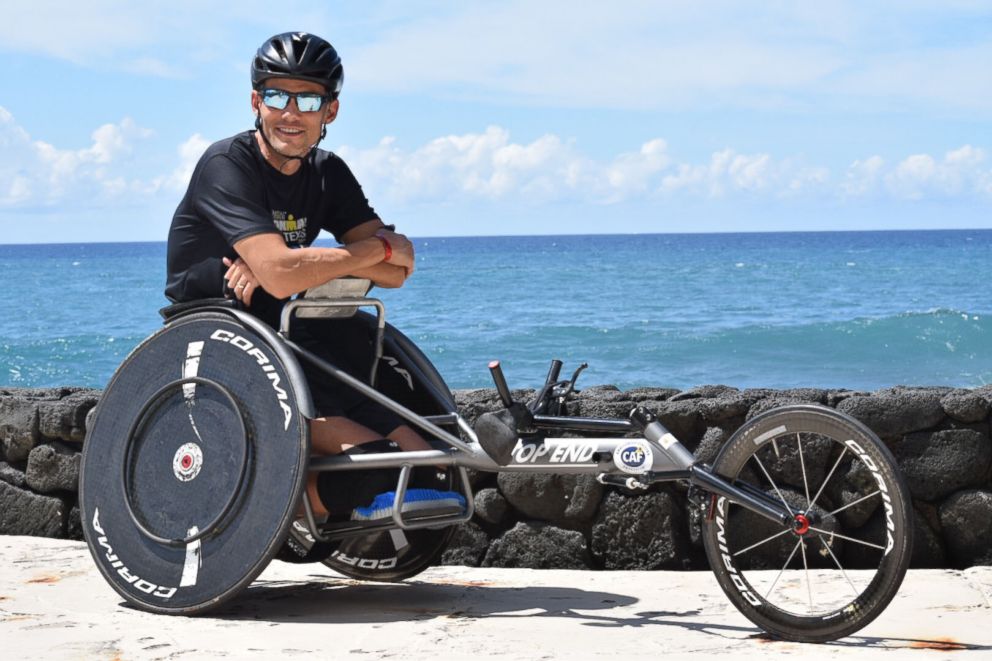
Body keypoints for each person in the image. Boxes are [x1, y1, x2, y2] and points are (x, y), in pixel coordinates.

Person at [164, 31, 464, 523]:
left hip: (295, 325)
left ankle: (374, 486)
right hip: (220, 329)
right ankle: (262, 516)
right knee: (380, 473)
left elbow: (398, 268)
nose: (291, 112)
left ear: (331, 111)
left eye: (308, 99)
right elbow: (284, 275)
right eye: (278, 96)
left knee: (426, 461)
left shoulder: (328, 172)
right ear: (256, 102)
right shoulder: (226, 164)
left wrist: (296, 259)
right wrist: (312, 261)